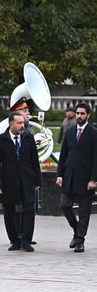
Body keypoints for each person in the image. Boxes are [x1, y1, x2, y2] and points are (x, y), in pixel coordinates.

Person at [0, 112, 41, 252]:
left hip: (27, 180)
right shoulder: (0, 140)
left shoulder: (28, 137)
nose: (22, 125)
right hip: (8, 181)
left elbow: (34, 161)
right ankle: (14, 240)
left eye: (23, 122)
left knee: (29, 210)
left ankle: (26, 241)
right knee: (9, 211)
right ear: (11, 124)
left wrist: (37, 180)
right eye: (19, 123)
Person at [56, 102, 97, 253]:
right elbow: (63, 155)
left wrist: (94, 179)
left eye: (82, 114)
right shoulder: (70, 132)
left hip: (86, 179)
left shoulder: (94, 133)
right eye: (78, 113)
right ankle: (77, 229)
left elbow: (96, 159)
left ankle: (80, 240)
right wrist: (60, 174)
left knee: (84, 212)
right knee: (65, 205)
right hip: (69, 177)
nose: (79, 116)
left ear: (88, 115)